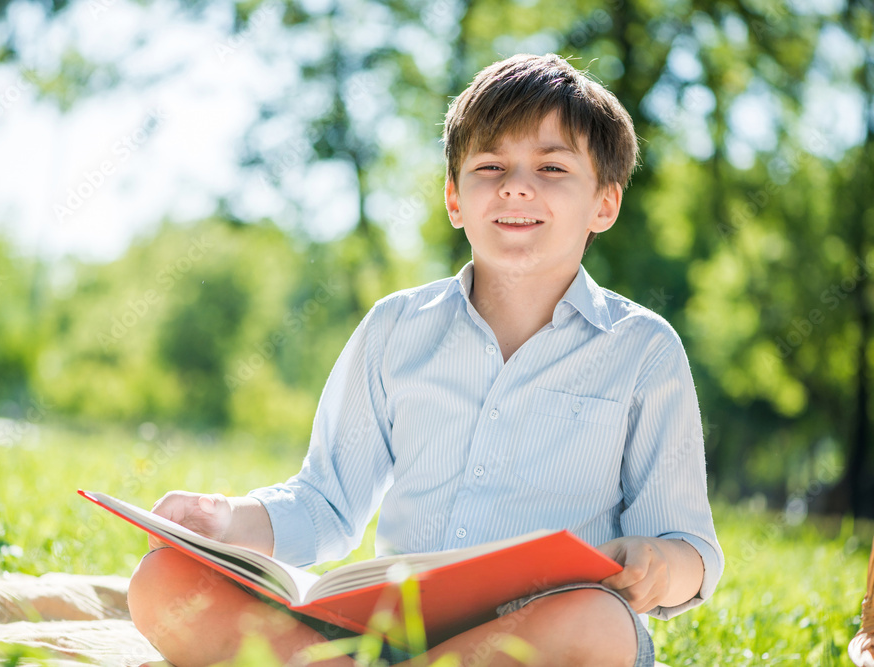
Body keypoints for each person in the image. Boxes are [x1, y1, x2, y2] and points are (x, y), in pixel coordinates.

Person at [127, 52, 724, 667]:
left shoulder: (643, 350)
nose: (517, 185)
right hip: (389, 635)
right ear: (454, 199)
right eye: (490, 166)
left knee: (596, 623)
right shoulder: (395, 329)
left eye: (551, 166)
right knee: (164, 581)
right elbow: (326, 503)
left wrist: (661, 565)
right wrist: (223, 520)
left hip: (540, 640)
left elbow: (689, 546)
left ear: (605, 202)